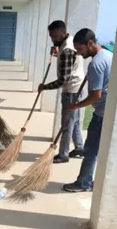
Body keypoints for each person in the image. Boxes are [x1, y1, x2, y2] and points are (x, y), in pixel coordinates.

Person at [63, 28, 113, 192]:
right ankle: (87, 181)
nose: (78, 53)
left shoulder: (96, 63)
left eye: (80, 49)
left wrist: (76, 105)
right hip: (108, 111)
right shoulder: (106, 55)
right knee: (94, 149)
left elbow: (96, 95)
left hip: (102, 113)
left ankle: (83, 183)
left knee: (90, 150)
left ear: (90, 43)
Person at [38, 20, 85, 164]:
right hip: (77, 87)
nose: (53, 39)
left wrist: (44, 87)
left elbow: (63, 80)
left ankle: (63, 154)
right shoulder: (69, 42)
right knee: (74, 121)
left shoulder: (66, 50)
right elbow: (68, 64)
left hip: (71, 90)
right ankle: (79, 148)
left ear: (63, 32)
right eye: (51, 36)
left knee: (66, 124)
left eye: (55, 36)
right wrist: (57, 52)